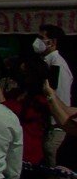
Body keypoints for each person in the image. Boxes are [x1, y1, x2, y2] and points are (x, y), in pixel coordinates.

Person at [34, 24, 73, 168]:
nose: (37, 41)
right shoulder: (46, 63)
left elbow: (61, 100)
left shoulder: (58, 66)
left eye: (41, 38)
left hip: (56, 128)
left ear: (53, 42)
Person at [3, 56, 51, 170]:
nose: (21, 76)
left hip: (30, 153)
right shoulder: (16, 93)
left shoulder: (40, 101)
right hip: (12, 150)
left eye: (25, 74)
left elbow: (9, 108)